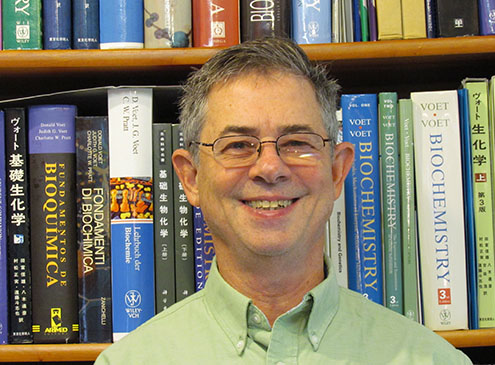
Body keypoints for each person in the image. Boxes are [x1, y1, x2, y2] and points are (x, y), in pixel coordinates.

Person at [95, 37, 472, 364]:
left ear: (337, 171)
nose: (270, 168)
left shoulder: (433, 360)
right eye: (239, 145)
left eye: (297, 143)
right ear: (191, 178)